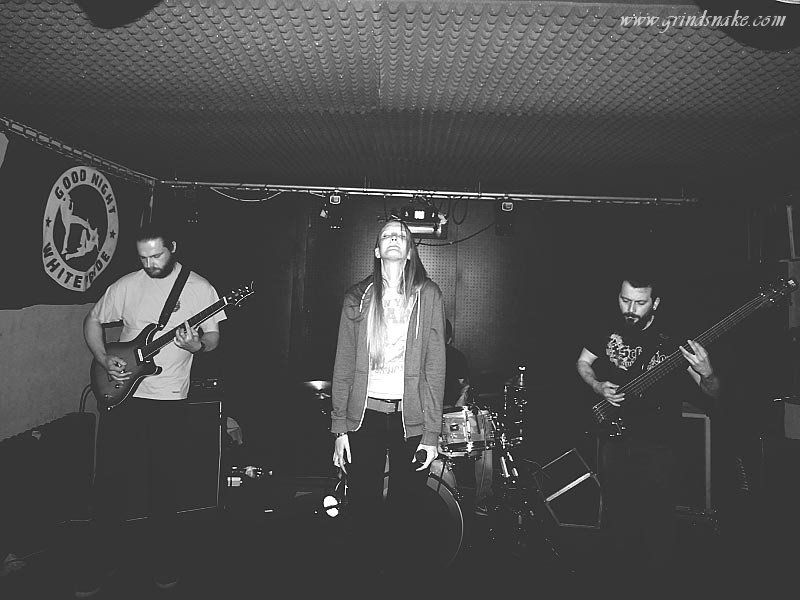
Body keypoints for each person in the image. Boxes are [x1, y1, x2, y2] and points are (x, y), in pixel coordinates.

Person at [74, 223, 226, 597]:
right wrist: (104, 358)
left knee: (164, 483)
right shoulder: (126, 285)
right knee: (109, 482)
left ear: (172, 247)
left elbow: (212, 338)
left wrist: (196, 346)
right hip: (122, 396)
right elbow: (93, 319)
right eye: (143, 257)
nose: (150, 263)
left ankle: (164, 560)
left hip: (169, 399)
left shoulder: (200, 288)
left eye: (157, 255)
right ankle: (100, 562)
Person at [575, 273, 721, 593]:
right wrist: (597, 385)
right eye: (625, 300)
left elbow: (712, 391)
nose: (630, 309)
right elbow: (583, 363)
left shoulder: (674, 340)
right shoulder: (606, 327)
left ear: (655, 303)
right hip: (614, 439)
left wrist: (708, 372)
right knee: (616, 519)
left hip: (659, 446)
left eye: (639, 303)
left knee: (657, 524)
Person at [330, 218, 446, 578]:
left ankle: (399, 577)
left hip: (410, 420)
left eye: (401, 235)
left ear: (409, 251)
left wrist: (431, 434)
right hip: (365, 416)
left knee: (406, 507)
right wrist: (339, 428)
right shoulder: (357, 297)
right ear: (378, 251)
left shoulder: (428, 294)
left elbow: (435, 367)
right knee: (362, 505)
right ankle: (365, 576)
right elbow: (343, 364)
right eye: (386, 235)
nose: (394, 238)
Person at [443, 318, 494, 515]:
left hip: (450, 414)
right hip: (424, 415)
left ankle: (482, 498)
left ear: (448, 339)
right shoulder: (420, 355)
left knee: (484, 437)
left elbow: (465, 387)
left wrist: (456, 409)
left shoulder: (456, 357)